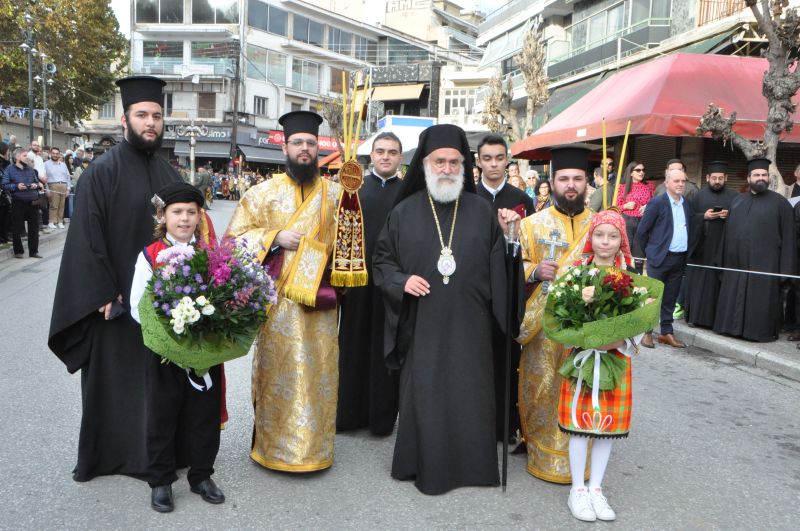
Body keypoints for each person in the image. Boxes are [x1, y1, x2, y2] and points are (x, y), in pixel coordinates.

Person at [48, 75, 183, 483]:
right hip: (116, 302)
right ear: (125, 120)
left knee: (158, 383)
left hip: (162, 304)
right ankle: (108, 457)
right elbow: (87, 237)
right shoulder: (101, 173)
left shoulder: (168, 174)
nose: (150, 123)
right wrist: (104, 292)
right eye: (142, 114)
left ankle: (157, 458)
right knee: (113, 383)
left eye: (157, 116)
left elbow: (186, 230)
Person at [373, 123, 516, 495]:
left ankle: (474, 466)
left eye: (455, 162)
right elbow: (382, 263)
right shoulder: (403, 213)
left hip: (472, 324)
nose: (448, 169)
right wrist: (401, 282)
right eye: (440, 161)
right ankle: (424, 465)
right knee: (427, 391)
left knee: (472, 391)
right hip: (423, 324)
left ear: (465, 167)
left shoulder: (483, 212)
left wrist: (513, 251)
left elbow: (499, 266)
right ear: (425, 164)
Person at [225, 111, 341, 472]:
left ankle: (316, 450)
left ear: (316, 148)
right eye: (297, 143)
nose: (304, 149)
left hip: (319, 303)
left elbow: (349, 245)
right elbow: (231, 243)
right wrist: (274, 237)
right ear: (285, 146)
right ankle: (272, 448)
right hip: (277, 305)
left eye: (310, 143)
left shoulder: (336, 194)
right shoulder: (262, 194)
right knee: (278, 374)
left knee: (319, 373)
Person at [129, 182, 224, 513]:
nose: (184, 219)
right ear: (163, 216)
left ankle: (201, 476)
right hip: (164, 354)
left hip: (204, 353)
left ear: (199, 217)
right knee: (162, 416)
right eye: (177, 212)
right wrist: (170, 334)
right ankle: (160, 481)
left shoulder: (211, 256)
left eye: (191, 212)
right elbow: (136, 306)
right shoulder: (149, 255)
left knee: (204, 416)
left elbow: (222, 301)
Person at [517, 146, 594, 484]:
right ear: (553, 182)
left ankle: (584, 456)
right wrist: (534, 270)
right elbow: (512, 269)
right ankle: (539, 450)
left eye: (578, 178)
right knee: (543, 390)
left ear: (587, 182)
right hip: (543, 327)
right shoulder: (532, 225)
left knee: (585, 390)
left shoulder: (602, 224)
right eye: (564, 179)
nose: (571, 185)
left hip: (590, 328)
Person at [562, 210, 643, 522]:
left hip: (616, 359)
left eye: (612, 236)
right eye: (599, 235)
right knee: (580, 426)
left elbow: (640, 322)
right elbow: (562, 316)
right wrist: (584, 338)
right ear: (590, 238)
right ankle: (577, 489)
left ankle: (596, 488)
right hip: (582, 359)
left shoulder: (632, 279)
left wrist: (617, 341)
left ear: (622, 239)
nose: (605, 242)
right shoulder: (575, 275)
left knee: (607, 427)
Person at [337, 132, 404, 436]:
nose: (386, 156)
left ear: (399, 157)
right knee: (352, 345)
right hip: (357, 280)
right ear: (371, 155)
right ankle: (349, 414)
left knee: (386, 348)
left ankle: (381, 418)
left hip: (391, 282)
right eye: (381, 151)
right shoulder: (352, 190)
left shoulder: (408, 193)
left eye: (392, 152)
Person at [474, 133, 530, 444]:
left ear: (507, 160)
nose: (494, 164)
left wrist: (515, 232)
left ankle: (507, 425)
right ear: (478, 161)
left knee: (508, 357)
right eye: (487, 158)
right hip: (476, 288)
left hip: (508, 288)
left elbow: (531, 245)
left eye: (499, 158)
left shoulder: (522, 199)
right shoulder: (469, 196)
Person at [713, 158, 796, 342]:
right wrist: (723, 260)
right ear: (749, 178)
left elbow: (789, 239)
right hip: (736, 265)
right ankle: (730, 328)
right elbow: (727, 234)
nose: (761, 178)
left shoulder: (781, 204)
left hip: (766, 267)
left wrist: (786, 271)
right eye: (757, 175)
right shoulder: (737, 201)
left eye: (764, 175)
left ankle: (756, 333)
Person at [636, 168, 693, 348]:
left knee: (670, 297)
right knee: (653, 296)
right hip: (659, 258)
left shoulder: (686, 204)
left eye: (683, 181)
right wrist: (647, 254)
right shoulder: (657, 203)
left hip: (679, 258)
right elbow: (642, 230)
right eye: (676, 181)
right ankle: (646, 332)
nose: (680, 184)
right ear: (666, 183)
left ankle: (666, 332)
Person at [684, 161, 737, 328]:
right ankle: (696, 317)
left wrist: (731, 215)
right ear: (707, 178)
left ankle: (717, 320)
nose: (717, 181)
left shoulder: (734, 197)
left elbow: (742, 221)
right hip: (702, 249)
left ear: (726, 178)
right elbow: (688, 219)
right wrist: (704, 217)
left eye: (721, 178)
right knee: (701, 283)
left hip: (724, 247)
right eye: (714, 178)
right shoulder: (697, 196)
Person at [2, 147, 44, 258]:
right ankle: (18, 252)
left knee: (34, 228)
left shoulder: (30, 169)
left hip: (33, 202)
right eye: (25, 155)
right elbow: (4, 184)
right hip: (18, 202)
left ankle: (34, 251)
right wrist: (16, 186)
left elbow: (36, 182)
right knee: (17, 228)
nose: (27, 157)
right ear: (17, 157)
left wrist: (37, 185)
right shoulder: (9, 169)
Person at [616, 161, 654, 273]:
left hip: (643, 222)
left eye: (643, 170)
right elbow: (614, 207)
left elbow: (655, 203)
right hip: (626, 222)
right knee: (624, 253)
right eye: (638, 170)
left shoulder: (649, 187)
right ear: (631, 173)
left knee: (639, 255)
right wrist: (625, 206)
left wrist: (648, 206)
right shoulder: (622, 187)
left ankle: (638, 281)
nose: (641, 172)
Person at [45, 147, 72, 229]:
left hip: (63, 185)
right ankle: (51, 221)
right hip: (53, 185)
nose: (55, 155)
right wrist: (47, 189)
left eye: (57, 153)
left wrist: (68, 188)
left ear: (59, 154)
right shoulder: (46, 164)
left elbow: (68, 177)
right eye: (53, 153)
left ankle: (60, 221)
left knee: (62, 205)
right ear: (50, 153)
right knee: (54, 205)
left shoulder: (63, 165)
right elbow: (44, 177)